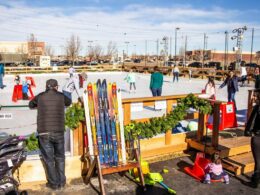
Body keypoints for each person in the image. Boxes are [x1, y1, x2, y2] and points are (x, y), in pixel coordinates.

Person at [29, 79, 71, 190]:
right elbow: (69, 102)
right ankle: (61, 182)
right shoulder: (61, 96)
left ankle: (54, 184)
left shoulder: (40, 96)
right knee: (60, 158)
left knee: (49, 160)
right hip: (59, 131)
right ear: (56, 87)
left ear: (46, 86)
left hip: (44, 132)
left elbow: (30, 104)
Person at [244, 89, 260, 188]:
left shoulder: (257, 108)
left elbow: (250, 124)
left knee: (258, 161)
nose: (253, 97)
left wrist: (248, 132)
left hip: (258, 137)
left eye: (255, 96)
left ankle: (255, 181)